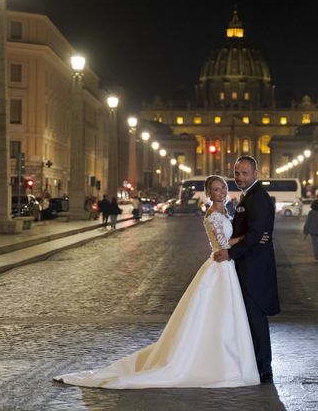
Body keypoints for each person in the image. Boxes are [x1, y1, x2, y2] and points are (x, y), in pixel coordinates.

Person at [54, 175, 266, 388]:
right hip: (220, 267)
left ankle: (225, 358)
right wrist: (250, 237)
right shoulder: (211, 215)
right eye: (216, 189)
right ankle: (215, 361)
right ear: (209, 193)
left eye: (223, 188)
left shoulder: (225, 212)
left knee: (224, 314)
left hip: (226, 268)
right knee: (217, 313)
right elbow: (222, 244)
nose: (220, 192)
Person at [214, 155, 279, 384]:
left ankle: (264, 369)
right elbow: (251, 233)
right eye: (237, 173)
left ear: (255, 174)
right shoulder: (247, 197)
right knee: (248, 319)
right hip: (247, 266)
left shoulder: (258, 197)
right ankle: (255, 365)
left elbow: (255, 235)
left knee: (255, 319)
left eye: (244, 173)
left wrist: (230, 252)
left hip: (255, 269)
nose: (239, 177)